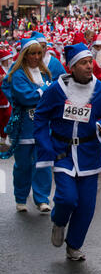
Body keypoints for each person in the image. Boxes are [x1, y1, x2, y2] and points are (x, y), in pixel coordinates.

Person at [33, 43, 101, 261]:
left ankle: (74, 246)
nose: (90, 66)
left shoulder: (100, 90)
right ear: (72, 67)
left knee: (87, 207)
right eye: (84, 63)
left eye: (90, 61)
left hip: (89, 154)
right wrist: (45, 145)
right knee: (67, 198)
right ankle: (59, 221)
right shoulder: (56, 90)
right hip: (63, 152)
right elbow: (41, 116)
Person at [1, 38, 53, 213]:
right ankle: (21, 197)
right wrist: (43, 91)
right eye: (33, 53)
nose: (36, 57)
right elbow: (25, 97)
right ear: (25, 55)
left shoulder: (45, 73)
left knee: (43, 163)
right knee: (23, 164)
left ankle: (42, 199)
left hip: (43, 125)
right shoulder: (18, 74)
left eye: (39, 53)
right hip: (24, 126)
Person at [0, 49, 13, 147]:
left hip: (10, 98)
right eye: (9, 59)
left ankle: (9, 136)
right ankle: (3, 137)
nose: (10, 60)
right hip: (1, 98)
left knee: (9, 117)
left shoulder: (12, 69)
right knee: (1, 119)